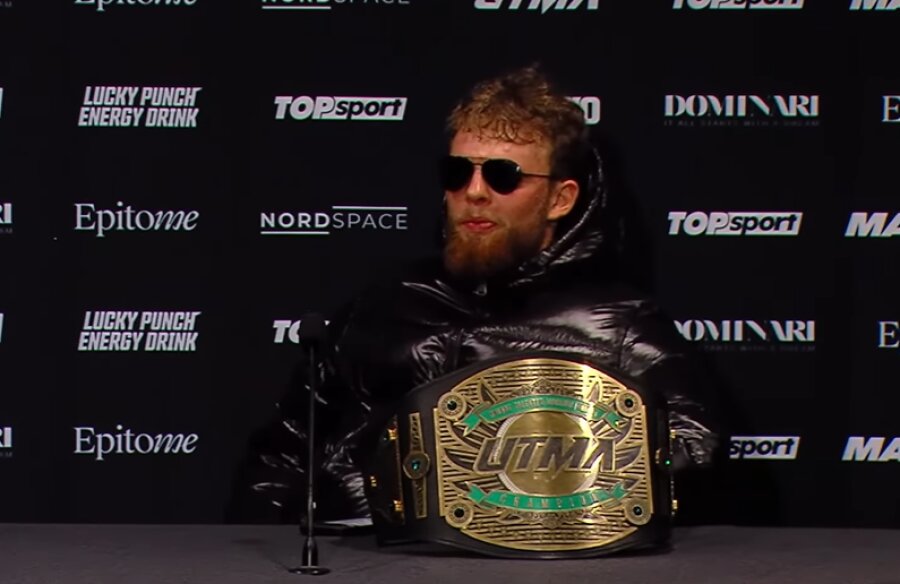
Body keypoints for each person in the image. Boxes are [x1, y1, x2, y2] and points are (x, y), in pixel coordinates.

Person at [228, 66, 719, 524]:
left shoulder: (619, 326)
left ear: (560, 199)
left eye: (503, 176)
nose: (476, 192)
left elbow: (692, 453)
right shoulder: (380, 305)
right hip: (360, 562)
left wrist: (513, 503)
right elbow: (281, 457)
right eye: (458, 173)